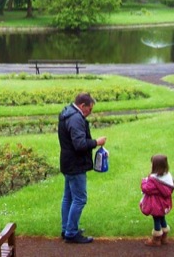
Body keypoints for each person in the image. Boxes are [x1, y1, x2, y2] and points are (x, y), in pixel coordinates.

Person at [58, 92, 106, 244]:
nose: (90, 113)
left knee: (68, 197)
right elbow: (79, 145)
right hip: (75, 164)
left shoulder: (66, 113)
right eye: (89, 109)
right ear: (82, 106)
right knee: (79, 198)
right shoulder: (76, 118)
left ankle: (66, 229)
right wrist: (96, 142)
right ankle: (71, 233)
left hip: (67, 161)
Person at [140, 154, 174, 247]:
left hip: (156, 204)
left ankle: (156, 239)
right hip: (165, 203)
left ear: (155, 166)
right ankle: (164, 237)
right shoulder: (168, 176)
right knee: (162, 217)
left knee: (156, 219)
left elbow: (146, 189)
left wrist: (143, 181)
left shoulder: (153, 179)